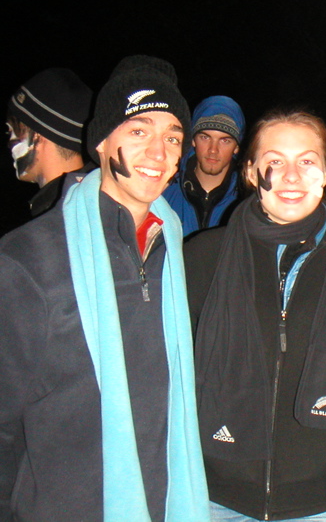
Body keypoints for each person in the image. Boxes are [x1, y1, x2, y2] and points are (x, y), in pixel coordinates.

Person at [0, 55, 209, 522]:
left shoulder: (174, 252)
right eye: (139, 131)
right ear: (100, 140)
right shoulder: (28, 261)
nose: (159, 152)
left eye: (172, 137)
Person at [186, 109, 326, 521]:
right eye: (275, 161)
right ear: (251, 172)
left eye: (307, 161)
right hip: (215, 500)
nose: (291, 176)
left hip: (319, 505)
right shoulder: (202, 257)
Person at [6, 67, 94, 217]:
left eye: (12, 131)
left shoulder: (56, 217)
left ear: (36, 135)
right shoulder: (97, 198)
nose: (9, 143)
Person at [164, 95, 245, 236]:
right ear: (193, 140)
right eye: (205, 137)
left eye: (225, 141)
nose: (213, 150)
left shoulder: (247, 199)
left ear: (236, 147)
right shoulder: (163, 189)